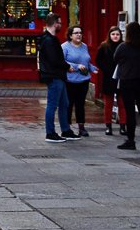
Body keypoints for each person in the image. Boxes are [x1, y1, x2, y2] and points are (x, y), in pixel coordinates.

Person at [37, 12, 80, 142]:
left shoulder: (49, 39)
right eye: (60, 23)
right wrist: (67, 67)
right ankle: (50, 133)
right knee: (52, 105)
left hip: (58, 76)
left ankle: (66, 130)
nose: (61, 25)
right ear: (55, 23)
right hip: (54, 76)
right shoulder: (49, 41)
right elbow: (54, 60)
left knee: (64, 104)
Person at [114, 22, 140, 150]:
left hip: (128, 82)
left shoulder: (123, 47)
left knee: (130, 112)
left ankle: (131, 140)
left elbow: (115, 59)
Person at [62, 24, 98, 136]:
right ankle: (66, 127)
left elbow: (86, 61)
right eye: (76, 33)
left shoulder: (84, 46)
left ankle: (81, 127)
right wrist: (77, 66)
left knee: (80, 104)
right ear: (70, 35)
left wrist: (92, 68)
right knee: (69, 104)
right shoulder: (65, 47)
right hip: (70, 80)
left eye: (80, 33)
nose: (79, 35)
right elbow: (61, 62)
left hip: (83, 80)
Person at [95, 26, 128, 136]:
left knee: (122, 104)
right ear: (109, 35)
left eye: (117, 34)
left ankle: (123, 126)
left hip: (121, 78)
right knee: (108, 104)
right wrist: (106, 69)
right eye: (113, 34)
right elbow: (98, 60)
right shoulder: (104, 46)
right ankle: (108, 126)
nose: (115, 36)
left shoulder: (124, 46)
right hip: (108, 78)